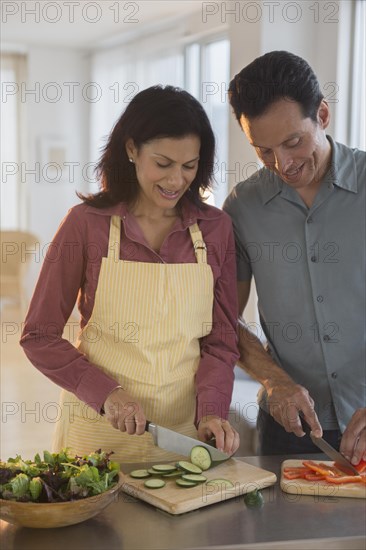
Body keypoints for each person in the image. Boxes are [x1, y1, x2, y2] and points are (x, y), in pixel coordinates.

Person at [20, 85, 240, 463]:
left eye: (189, 166)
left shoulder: (216, 229)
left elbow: (221, 341)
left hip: (182, 438)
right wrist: (107, 393)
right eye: (163, 163)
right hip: (96, 432)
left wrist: (214, 411)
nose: (176, 180)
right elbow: (39, 335)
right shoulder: (86, 225)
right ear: (131, 149)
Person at [223, 51, 366, 463]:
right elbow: (223, 318)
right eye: (263, 150)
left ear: (322, 115)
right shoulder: (243, 207)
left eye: (293, 142)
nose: (282, 164)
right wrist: (273, 381)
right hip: (290, 429)